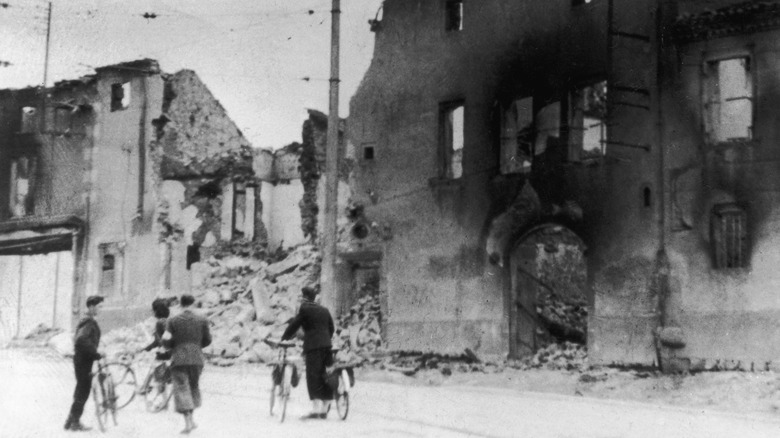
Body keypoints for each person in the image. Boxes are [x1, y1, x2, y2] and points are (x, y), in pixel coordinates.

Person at [281, 286, 335, 420]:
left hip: (313, 347)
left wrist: (284, 337)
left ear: (304, 298)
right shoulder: (324, 310)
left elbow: (294, 324)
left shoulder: (304, 309)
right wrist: (325, 339)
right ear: (314, 298)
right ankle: (324, 409)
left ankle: (316, 410)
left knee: (313, 376)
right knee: (326, 374)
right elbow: (331, 328)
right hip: (327, 346)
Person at [163, 294, 212, 434]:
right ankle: (192, 419)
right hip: (197, 358)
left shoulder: (172, 320)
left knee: (181, 388)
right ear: (193, 304)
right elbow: (208, 340)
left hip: (179, 357)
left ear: (181, 304)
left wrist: (173, 347)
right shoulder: (202, 319)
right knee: (193, 386)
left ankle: (188, 422)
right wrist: (196, 346)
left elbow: (166, 341)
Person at [64, 295, 104, 432]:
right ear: (92, 307)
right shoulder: (89, 322)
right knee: (83, 391)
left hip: (82, 359)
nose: (101, 309)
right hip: (83, 360)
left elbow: (84, 339)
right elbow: (81, 340)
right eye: (99, 306)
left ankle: (70, 420)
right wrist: (95, 353)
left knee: (81, 389)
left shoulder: (87, 320)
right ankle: (74, 422)